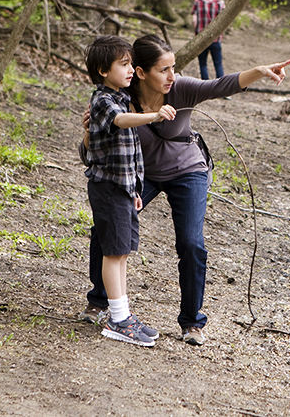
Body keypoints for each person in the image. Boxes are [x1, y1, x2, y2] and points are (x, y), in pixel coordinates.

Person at [81, 35, 290, 347]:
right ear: (140, 72)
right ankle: (101, 304)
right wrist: (88, 131)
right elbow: (93, 149)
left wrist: (259, 71)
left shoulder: (181, 88)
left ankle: (192, 322)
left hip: (187, 171)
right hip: (141, 175)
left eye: (174, 67)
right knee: (106, 227)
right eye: (163, 70)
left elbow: (223, 85)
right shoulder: (118, 97)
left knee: (191, 243)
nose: (172, 76)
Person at [83, 35, 177, 347]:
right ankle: (118, 320)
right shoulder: (103, 102)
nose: (128, 70)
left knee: (122, 251)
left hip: (122, 188)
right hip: (107, 187)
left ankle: (121, 313)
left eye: (129, 64)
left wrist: (135, 189)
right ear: (101, 71)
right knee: (113, 252)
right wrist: (154, 115)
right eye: (122, 65)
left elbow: (131, 153)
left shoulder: (121, 97)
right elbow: (121, 122)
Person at [191, 0, 226, 80]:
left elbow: (194, 20)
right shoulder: (220, 2)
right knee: (218, 63)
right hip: (216, 38)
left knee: (203, 63)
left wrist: (196, 33)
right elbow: (225, 20)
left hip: (201, 38)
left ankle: (205, 86)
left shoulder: (198, 1)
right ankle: (221, 86)